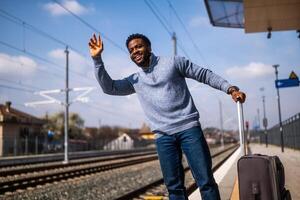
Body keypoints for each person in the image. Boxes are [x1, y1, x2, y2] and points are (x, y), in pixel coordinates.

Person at [89, 33, 246, 200]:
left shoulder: (173, 62)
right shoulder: (134, 80)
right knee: (174, 189)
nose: (135, 51)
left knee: (205, 181)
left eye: (139, 46)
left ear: (149, 47)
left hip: (189, 130)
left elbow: (204, 74)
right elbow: (109, 87)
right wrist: (97, 59)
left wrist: (230, 88)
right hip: (163, 137)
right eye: (131, 50)